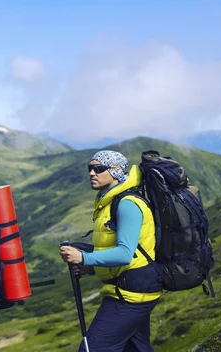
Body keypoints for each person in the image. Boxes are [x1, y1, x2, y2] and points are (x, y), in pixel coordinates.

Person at [60, 150, 162, 351]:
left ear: (115, 172)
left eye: (99, 169)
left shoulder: (127, 204)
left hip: (130, 295)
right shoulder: (109, 202)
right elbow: (127, 252)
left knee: (93, 348)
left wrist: (84, 257)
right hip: (132, 288)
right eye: (90, 168)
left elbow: (125, 253)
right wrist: (91, 268)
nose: (92, 173)